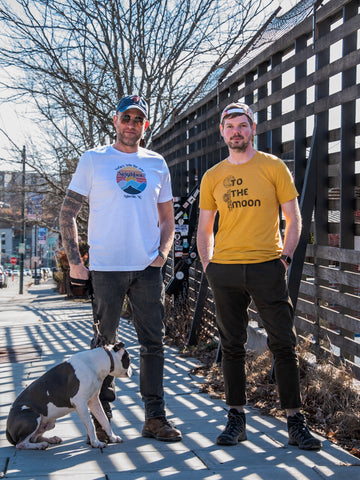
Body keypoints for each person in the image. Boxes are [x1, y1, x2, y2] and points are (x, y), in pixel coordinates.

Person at [197, 101, 322, 450]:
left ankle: (295, 422)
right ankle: (236, 419)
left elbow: (294, 219)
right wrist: (209, 267)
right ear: (222, 132)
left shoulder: (273, 167)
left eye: (242, 125)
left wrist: (283, 259)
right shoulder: (213, 176)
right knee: (232, 346)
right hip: (224, 270)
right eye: (230, 126)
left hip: (267, 265)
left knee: (283, 343)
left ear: (253, 129)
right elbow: (204, 228)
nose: (236, 131)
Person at [59, 94, 182, 443]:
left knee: (153, 344)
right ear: (115, 121)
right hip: (106, 269)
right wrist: (76, 263)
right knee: (104, 347)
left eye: (138, 119)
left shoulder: (156, 163)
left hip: (147, 269)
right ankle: (103, 418)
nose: (131, 124)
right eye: (126, 117)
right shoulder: (94, 159)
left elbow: (167, 219)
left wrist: (162, 253)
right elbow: (67, 212)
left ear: (145, 125)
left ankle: (155, 418)